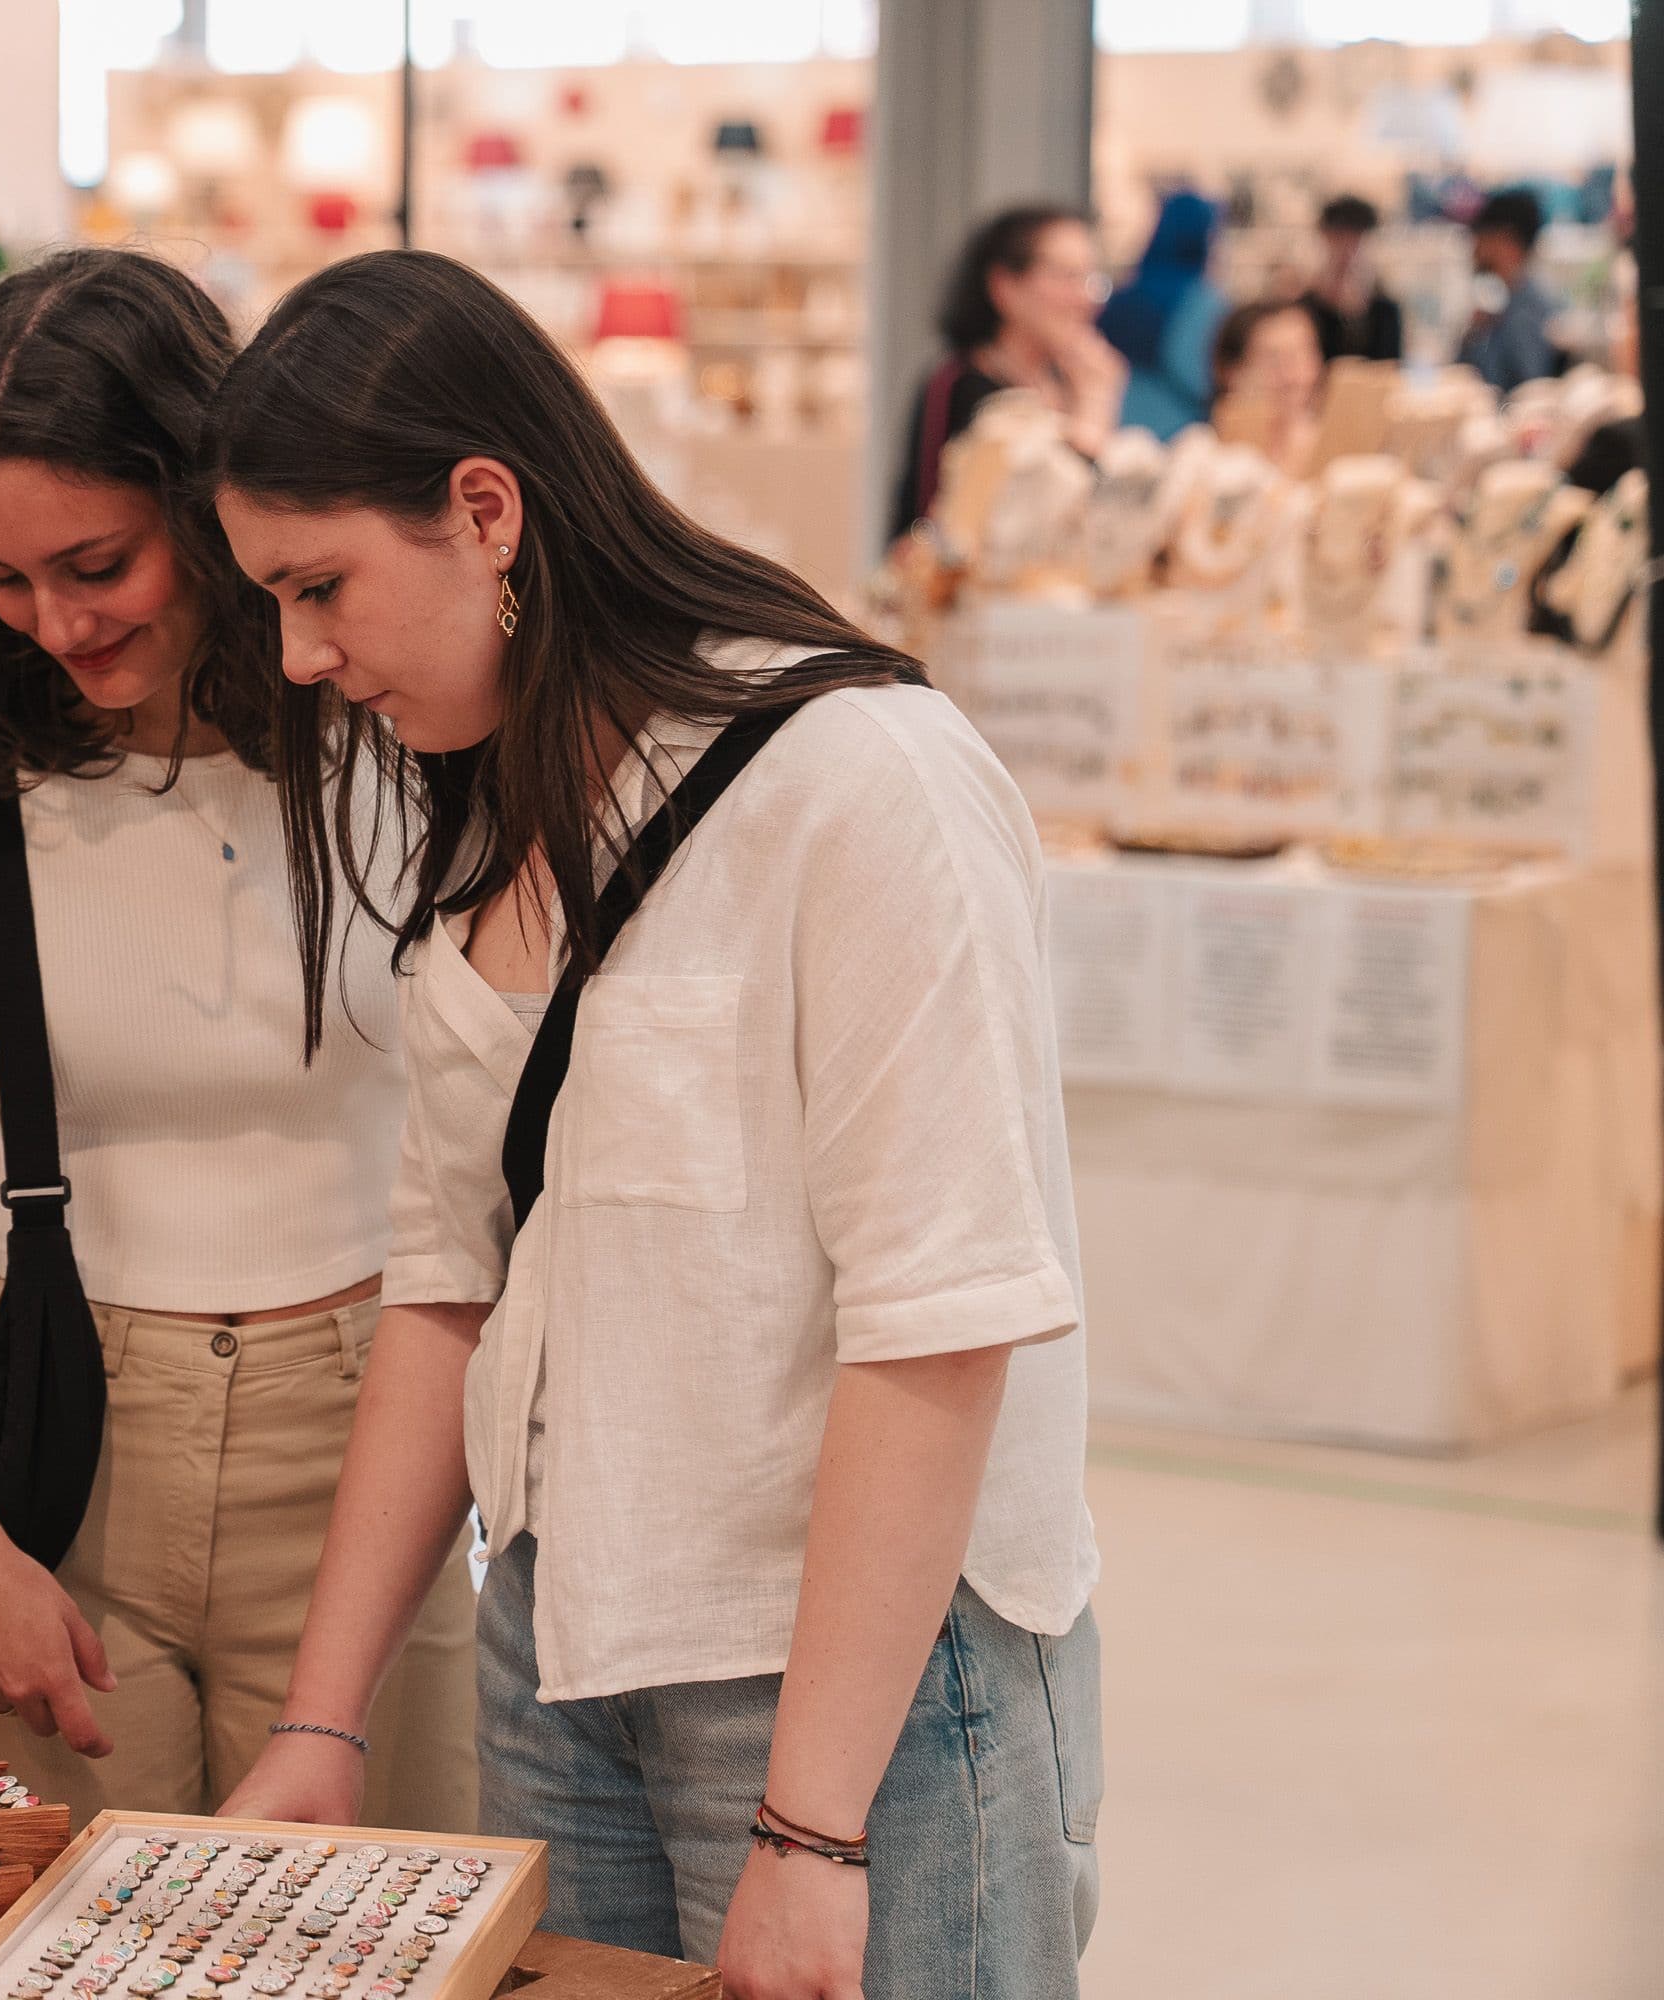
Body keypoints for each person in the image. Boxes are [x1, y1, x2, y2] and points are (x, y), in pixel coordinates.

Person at [208, 250, 1101, 2000]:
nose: (302, 656)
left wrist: (813, 1830)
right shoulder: (494, 813)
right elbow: (448, 1287)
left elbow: (940, 1321)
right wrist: (324, 1716)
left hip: (859, 1699)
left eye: (321, 588)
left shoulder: (860, 782)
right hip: (562, 1652)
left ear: (485, 513)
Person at [0, 247, 477, 1829]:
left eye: (97, 564)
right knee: (46, 1933)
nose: (54, 623)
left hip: (368, 1440)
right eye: (1, 578)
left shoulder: (384, 712)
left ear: (208, 502)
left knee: (380, 1929)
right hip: (33, 1444)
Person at [887, 204, 1124, 542]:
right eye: (1066, 276)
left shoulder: (1067, 381)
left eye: (1090, 279)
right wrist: (1093, 408)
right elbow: (941, 527)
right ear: (1005, 287)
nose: (1085, 298)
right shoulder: (960, 386)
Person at [1102, 190, 1225, 440]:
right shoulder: (1201, 301)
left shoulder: (1126, 293)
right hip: (1179, 431)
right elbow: (1196, 377)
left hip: (1121, 421)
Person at [1460, 188, 1566, 393]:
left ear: (1507, 242)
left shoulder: (1526, 313)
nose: (1474, 251)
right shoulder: (1502, 306)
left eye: (1481, 237)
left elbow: (1527, 389)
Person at [1209, 299, 1324, 473]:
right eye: (1273, 360)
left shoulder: (1340, 452)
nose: (1293, 377)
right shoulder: (1200, 456)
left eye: (1303, 354)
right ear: (1230, 372)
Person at [1300, 193, 1404, 364]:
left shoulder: (1385, 310)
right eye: (1339, 238)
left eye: (1356, 239)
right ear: (1325, 238)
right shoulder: (1306, 308)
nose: (1348, 250)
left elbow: (1391, 365)